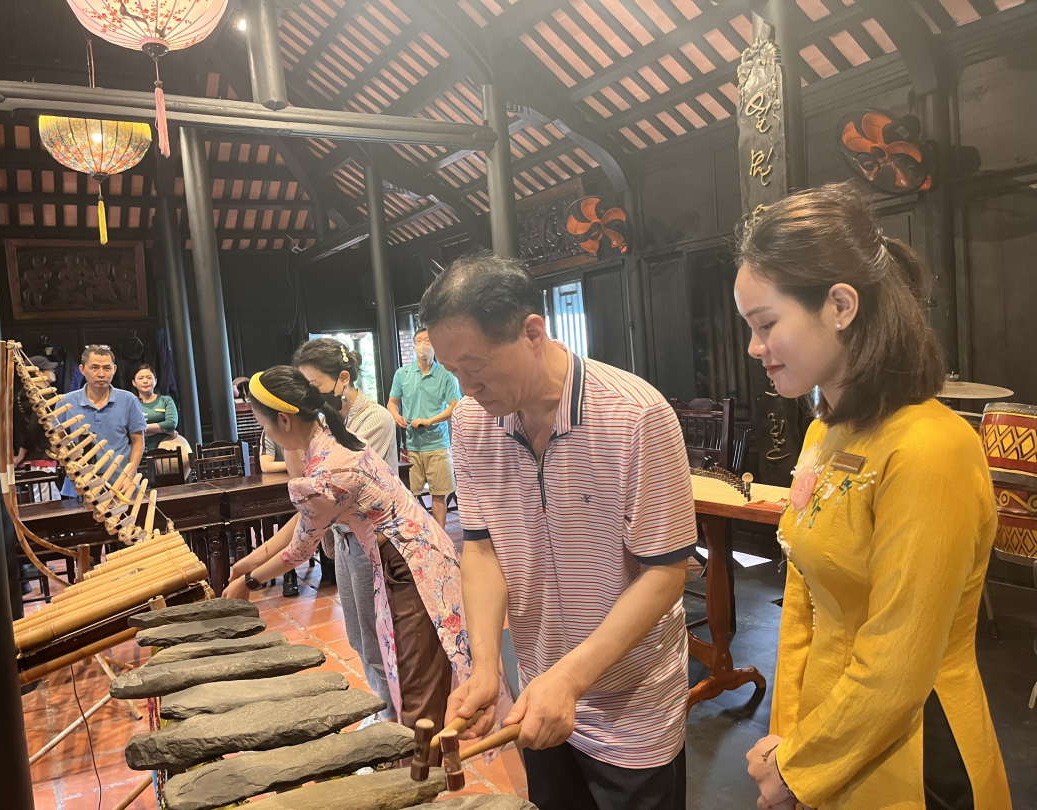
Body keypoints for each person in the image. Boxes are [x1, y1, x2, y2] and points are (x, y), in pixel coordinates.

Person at [734, 183, 1011, 810]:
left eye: (766, 324)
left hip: (913, 753)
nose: (754, 348)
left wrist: (800, 769)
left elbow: (901, 659)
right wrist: (788, 738)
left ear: (840, 305)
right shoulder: (824, 432)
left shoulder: (930, 448)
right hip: (827, 731)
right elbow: (802, 601)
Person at [421, 253, 698, 810]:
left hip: (633, 704)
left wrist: (571, 679)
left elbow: (665, 574)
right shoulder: (473, 423)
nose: (467, 386)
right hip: (538, 695)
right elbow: (480, 549)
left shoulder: (635, 415)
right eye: (453, 371)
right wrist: (483, 664)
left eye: (476, 365)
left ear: (531, 332)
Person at [222, 366, 477, 730]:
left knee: (416, 676)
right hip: (409, 556)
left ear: (284, 420)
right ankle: (418, 749)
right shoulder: (331, 441)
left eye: (265, 425)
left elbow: (299, 551)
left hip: (411, 565)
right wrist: (250, 561)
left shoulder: (327, 471)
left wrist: (248, 582)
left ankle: (422, 771)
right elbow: (309, 520)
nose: (267, 433)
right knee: (408, 665)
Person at [294, 338, 398, 721]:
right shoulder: (325, 418)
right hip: (344, 540)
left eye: (313, 386)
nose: (308, 396)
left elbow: (331, 479)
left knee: (378, 638)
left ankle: (395, 721)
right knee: (357, 635)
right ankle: (384, 707)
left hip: (375, 541)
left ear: (342, 379)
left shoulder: (375, 418)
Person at [387, 328, 461, 528]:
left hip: (438, 444)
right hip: (411, 445)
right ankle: (418, 537)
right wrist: (396, 416)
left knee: (439, 494)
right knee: (410, 495)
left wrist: (431, 420)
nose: (422, 345)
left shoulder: (446, 373)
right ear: (413, 346)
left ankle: (441, 539)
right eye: (418, 340)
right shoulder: (402, 374)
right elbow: (392, 403)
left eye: (427, 340)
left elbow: (455, 406)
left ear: (435, 344)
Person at [60, 345, 145, 499]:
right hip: (79, 486)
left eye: (107, 368)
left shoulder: (128, 400)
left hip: (121, 484)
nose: (101, 374)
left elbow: (138, 442)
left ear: (115, 369)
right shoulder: (66, 402)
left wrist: (129, 476)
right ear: (82, 369)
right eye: (94, 368)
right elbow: (58, 443)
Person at [258, 430, 300, 598]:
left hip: (308, 483)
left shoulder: (311, 425)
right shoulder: (270, 431)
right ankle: (289, 573)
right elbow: (266, 465)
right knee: (286, 513)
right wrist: (294, 464)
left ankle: (329, 565)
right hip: (283, 491)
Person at [13, 355, 59, 500]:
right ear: (39, 372)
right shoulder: (40, 397)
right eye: (50, 369)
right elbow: (34, 426)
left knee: (45, 496)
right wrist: (22, 453)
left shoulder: (22, 396)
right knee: (46, 500)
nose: (54, 371)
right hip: (40, 455)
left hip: (34, 455)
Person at [132, 364, 178, 452]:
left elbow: (171, 424)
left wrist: (142, 428)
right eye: (140, 378)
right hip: (138, 451)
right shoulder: (131, 403)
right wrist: (164, 430)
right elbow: (129, 428)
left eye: (149, 377)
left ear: (155, 381)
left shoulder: (166, 400)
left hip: (166, 449)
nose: (145, 381)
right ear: (134, 383)